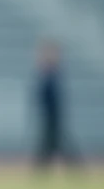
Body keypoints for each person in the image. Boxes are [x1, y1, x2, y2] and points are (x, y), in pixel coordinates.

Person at [32, 38, 82, 171]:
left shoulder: (52, 75)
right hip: (50, 118)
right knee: (53, 145)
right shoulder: (48, 75)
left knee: (53, 145)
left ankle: (42, 171)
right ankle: (42, 170)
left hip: (53, 118)